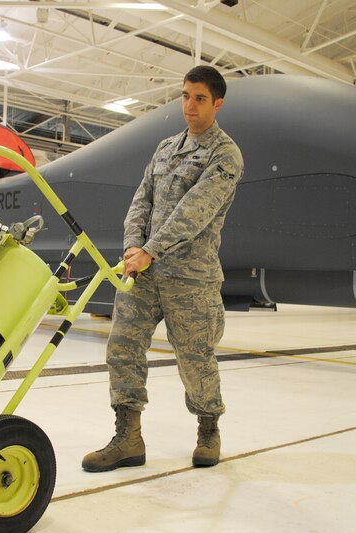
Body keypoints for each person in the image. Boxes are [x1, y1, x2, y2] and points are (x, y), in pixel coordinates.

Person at [82, 65, 244, 472]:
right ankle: (128, 438)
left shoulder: (225, 155)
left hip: (191, 280)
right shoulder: (166, 147)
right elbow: (142, 200)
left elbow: (196, 211)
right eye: (186, 95)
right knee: (122, 347)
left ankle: (208, 429)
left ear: (217, 103)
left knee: (195, 359)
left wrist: (151, 249)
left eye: (200, 98)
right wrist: (134, 246)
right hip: (145, 274)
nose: (190, 104)